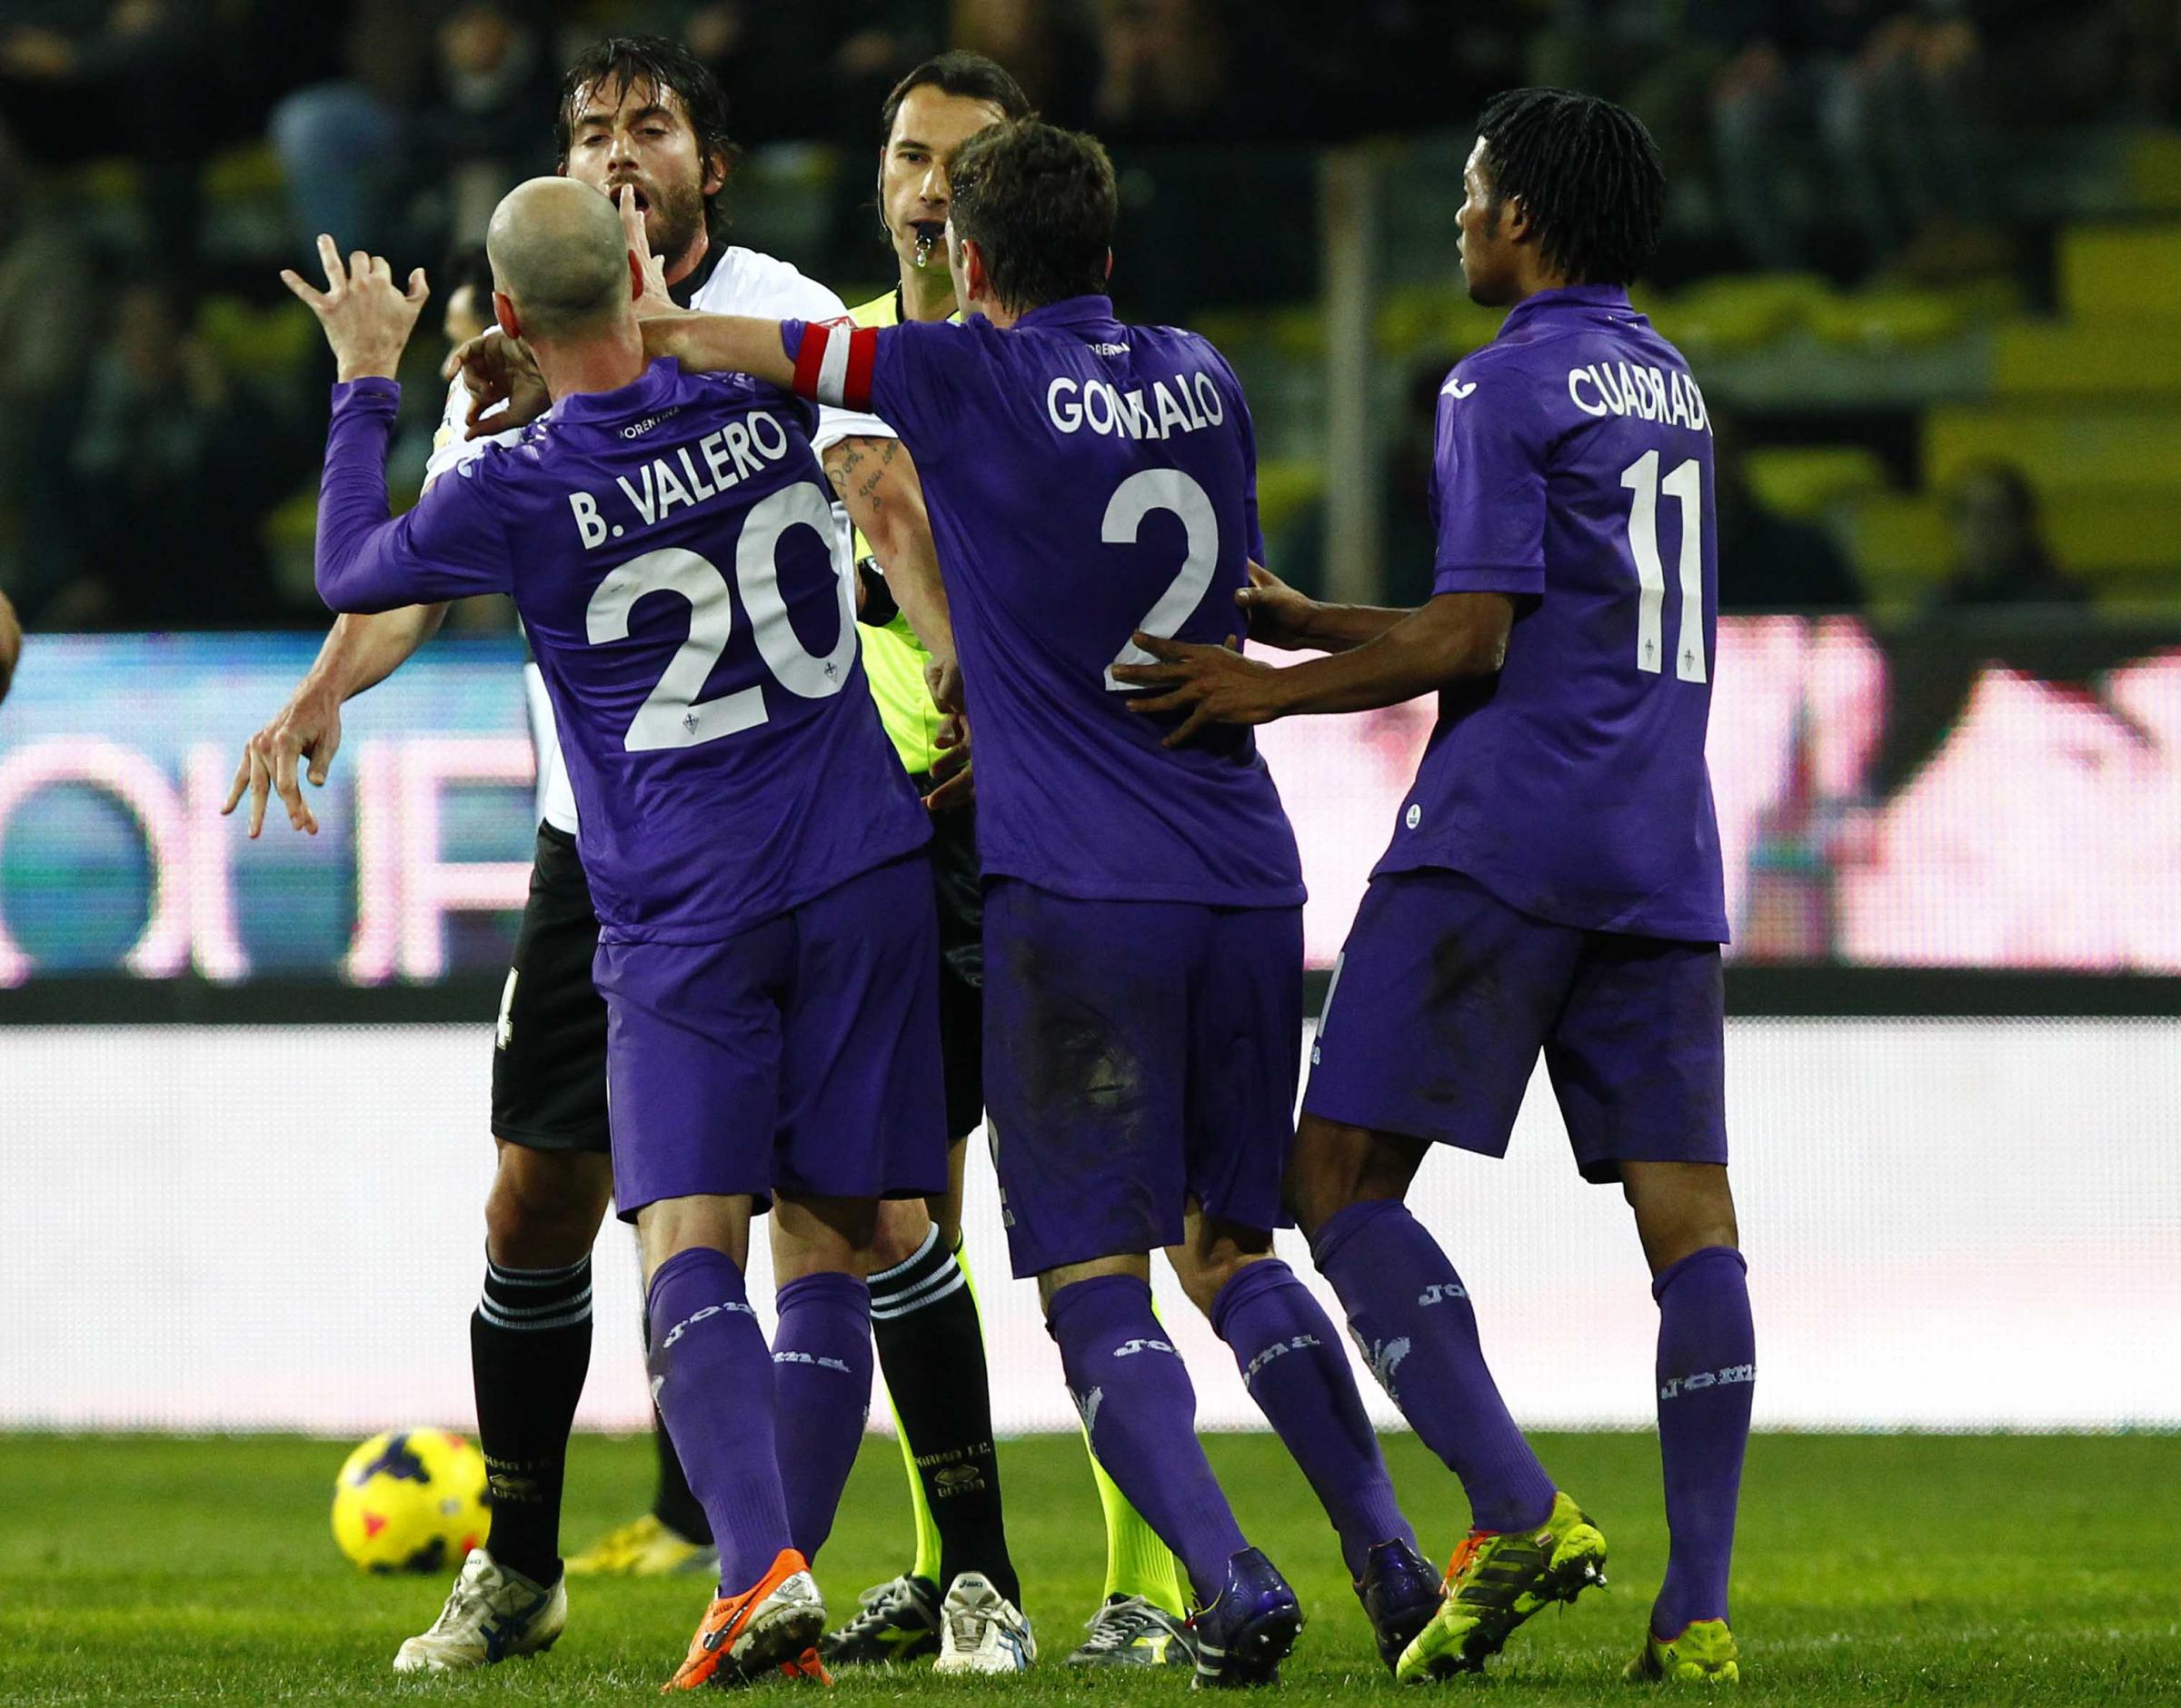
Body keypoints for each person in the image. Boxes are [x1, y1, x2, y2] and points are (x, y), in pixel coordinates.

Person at [608, 115, 1443, 1685]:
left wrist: (637, 308)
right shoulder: (1206, 374)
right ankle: (1389, 1551)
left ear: (972, 261)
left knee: (1091, 1279)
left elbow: (750, 345)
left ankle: (1228, 1579)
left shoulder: (955, 372)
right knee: (1233, 1248)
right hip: (1245, 877)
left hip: (1074, 888)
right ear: (1109, 253)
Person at [222, 34, 951, 1673]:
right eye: (593, 131)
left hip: (682, 876)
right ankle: (541, 1565)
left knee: (758, 1223)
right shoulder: (737, 369)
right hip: (737, 842)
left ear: (706, 165)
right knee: (553, 1201)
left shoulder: (731, 328)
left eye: (651, 125)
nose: (622, 151)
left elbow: (378, 553)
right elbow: (409, 588)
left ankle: (803, 1566)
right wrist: (327, 686)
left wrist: (374, 375)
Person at [1110, 90, 1753, 1685]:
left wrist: (1266, 690)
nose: (1458, 218)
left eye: (1471, 194)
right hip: (1661, 845)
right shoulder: (1671, 384)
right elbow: (1541, 619)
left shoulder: (1496, 380)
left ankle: (1517, 1507)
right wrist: (1326, 622)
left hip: (1502, 837)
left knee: (1331, 1180)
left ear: (1521, 216)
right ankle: (1699, 1613)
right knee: (1693, 1230)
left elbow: (1473, 643)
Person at [808, 50, 1192, 1676]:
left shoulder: (1078, 372)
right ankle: (948, 1567)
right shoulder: (829, 357)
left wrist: (1030, 720)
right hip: (876, 834)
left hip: (1037, 827)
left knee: (1092, 1206)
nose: (928, 187)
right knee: (910, 1212)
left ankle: (1150, 1582)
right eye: (909, 155)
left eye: (962, 164)